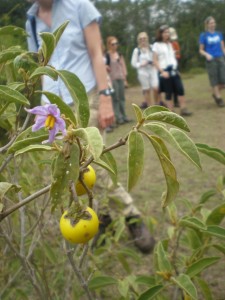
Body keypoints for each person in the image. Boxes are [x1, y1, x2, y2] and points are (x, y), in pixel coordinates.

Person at [26, 0, 155, 254]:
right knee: (75, 169)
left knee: (90, 161)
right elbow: (41, 68)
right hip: (54, 107)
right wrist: (40, 108)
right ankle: (104, 216)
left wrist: (106, 97)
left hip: (88, 96)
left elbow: (97, 54)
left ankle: (131, 216)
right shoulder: (31, 20)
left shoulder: (80, 5)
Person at [152, 25, 192, 116]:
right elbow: (155, 60)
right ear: (161, 34)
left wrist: (177, 69)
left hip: (174, 70)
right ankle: (171, 112)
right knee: (168, 92)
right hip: (165, 71)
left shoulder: (170, 44)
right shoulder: (156, 45)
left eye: (168, 32)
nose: (167, 34)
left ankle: (183, 109)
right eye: (165, 32)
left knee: (180, 89)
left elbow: (173, 58)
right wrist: (162, 72)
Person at [199, 16, 225, 107]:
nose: (213, 24)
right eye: (211, 23)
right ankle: (218, 98)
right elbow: (201, 50)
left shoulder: (219, 34)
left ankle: (215, 93)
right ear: (207, 24)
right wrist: (207, 55)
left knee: (223, 80)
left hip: (221, 58)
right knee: (214, 80)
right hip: (211, 60)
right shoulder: (204, 35)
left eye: (214, 22)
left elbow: (223, 47)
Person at [106, 36, 131, 125]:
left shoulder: (119, 54)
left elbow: (123, 67)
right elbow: (104, 67)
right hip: (112, 80)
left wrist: (125, 79)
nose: (115, 45)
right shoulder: (107, 56)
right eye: (113, 44)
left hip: (120, 78)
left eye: (116, 43)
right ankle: (118, 117)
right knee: (115, 98)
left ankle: (124, 116)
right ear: (109, 45)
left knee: (122, 98)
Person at [131, 32, 159, 109]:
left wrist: (154, 61)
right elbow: (133, 63)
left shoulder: (152, 47)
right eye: (141, 39)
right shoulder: (137, 50)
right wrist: (141, 64)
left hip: (152, 70)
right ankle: (150, 108)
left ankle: (157, 105)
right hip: (142, 72)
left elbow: (157, 57)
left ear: (147, 39)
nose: (143, 40)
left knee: (156, 88)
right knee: (146, 90)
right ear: (138, 40)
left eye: (144, 38)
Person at [169, 27, 181, 108]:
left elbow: (178, 55)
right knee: (170, 85)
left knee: (176, 84)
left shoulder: (175, 44)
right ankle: (171, 102)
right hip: (168, 66)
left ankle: (176, 101)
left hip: (175, 64)